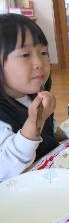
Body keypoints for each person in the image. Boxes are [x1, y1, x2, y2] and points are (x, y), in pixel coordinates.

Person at [0, 14, 58, 181]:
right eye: (25, 55)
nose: (39, 62)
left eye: (43, 52)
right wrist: (34, 122)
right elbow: (5, 167)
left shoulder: (34, 97)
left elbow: (50, 135)